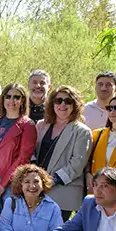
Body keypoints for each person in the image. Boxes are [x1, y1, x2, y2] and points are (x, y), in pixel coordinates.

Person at [35, 86, 92, 220]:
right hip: (36, 188)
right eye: (58, 100)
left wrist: (51, 181)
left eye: (68, 101)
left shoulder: (82, 131)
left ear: (75, 105)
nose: (62, 105)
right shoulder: (41, 125)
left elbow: (77, 164)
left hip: (63, 191)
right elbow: (32, 151)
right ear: (52, 103)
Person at [0, 83, 37, 225]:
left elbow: (23, 158)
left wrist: (3, 183)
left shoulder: (27, 125)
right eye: (8, 96)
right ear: (3, 99)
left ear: (22, 100)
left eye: (16, 97)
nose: (11, 101)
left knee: (9, 222)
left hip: (11, 182)